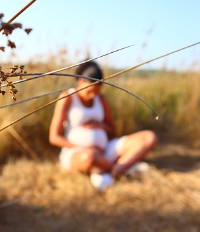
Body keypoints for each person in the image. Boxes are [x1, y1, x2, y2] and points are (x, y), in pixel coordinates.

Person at [49, 60, 158, 190]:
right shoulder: (67, 97)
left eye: (96, 91)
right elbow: (54, 137)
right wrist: (82, 147)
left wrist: (101, 126)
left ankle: (110, 169)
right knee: (89, 157)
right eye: (89, 91)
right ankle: (121, 169)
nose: (92, 96)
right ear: (80, 81)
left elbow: (112, 131)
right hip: (78, 153)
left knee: (149, 137)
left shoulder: (101, 99)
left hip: (105, 150)